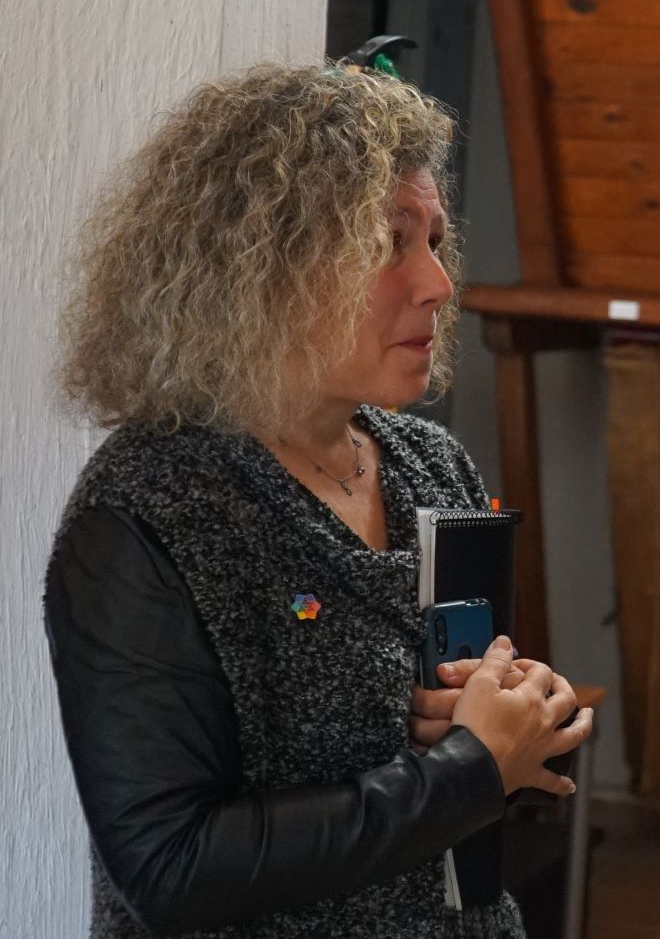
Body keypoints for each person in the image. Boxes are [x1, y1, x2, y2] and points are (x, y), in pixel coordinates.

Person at [44, 62, 594, 938]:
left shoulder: (430, 463)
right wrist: (470, 768)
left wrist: (517, 707)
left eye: (435, 243)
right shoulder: (150, 512)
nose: (438, 285)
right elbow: (170, 866)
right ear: (259, 266)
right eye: (390, 244)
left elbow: (465, 728)